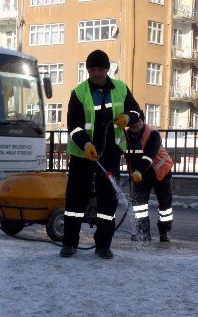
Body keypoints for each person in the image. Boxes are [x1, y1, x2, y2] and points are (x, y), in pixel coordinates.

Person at [60, 49, 143, 259]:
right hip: (83, 155)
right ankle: (69, 243)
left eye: (100, 69)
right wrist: (85, 144)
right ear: (88, 70)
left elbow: (137, 112)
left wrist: (128, 118)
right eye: (92, 69)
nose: (96, 73)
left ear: (107, 69)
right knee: (75, 201)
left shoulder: (121, 89)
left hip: (110, 154)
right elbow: (74, 126)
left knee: (108, 202)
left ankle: (103, 245)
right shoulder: (79, 93)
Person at [126, 116, 174, 243]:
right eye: (131, 124)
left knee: (165, 205)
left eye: (136, 123)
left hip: (161, 171)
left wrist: (138, 171)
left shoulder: (153, 134)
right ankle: (143, 233)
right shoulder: (126, 135)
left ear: (142, 121)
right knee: (139, 206)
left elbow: (149, 156)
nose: (134, 126)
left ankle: (164, 232)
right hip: (141, 173)